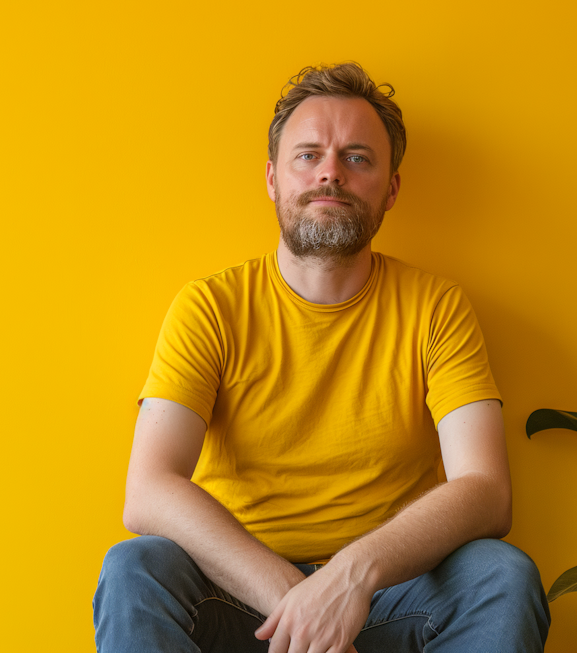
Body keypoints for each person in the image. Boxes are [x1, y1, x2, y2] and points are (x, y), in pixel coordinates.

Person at [92, 63, 550, 653]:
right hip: (237, 597)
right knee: (136, 568)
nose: (330, 172)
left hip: (386, 599)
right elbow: (149, 489)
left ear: (391, 188)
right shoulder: (210, 306)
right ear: (272, 179)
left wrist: (349, 579)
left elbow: (486, 490)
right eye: (308, 156)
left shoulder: (436, 307)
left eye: (357, 157)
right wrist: (300, 600)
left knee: (501, 575)